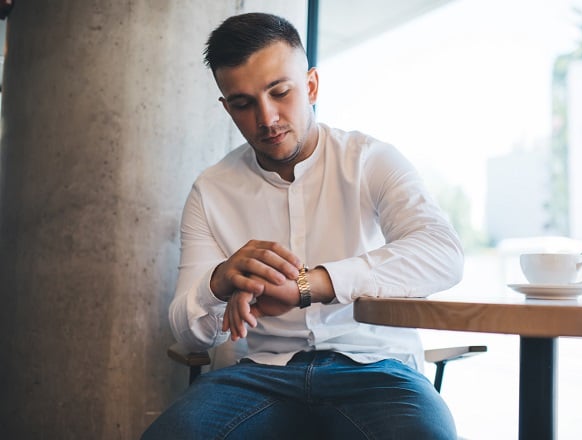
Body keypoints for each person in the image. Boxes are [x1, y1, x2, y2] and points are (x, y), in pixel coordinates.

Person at [143, 12, 464, 440]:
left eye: (280, 92)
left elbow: (442, 253)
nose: (267, 118)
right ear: (226, 107)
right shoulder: (211, 191)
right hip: (259, 375)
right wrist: (219, 283)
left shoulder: (370, 160)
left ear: (311, 85)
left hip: (374, 369)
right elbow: (190, 334)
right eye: (243, 104)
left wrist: (311, 285)